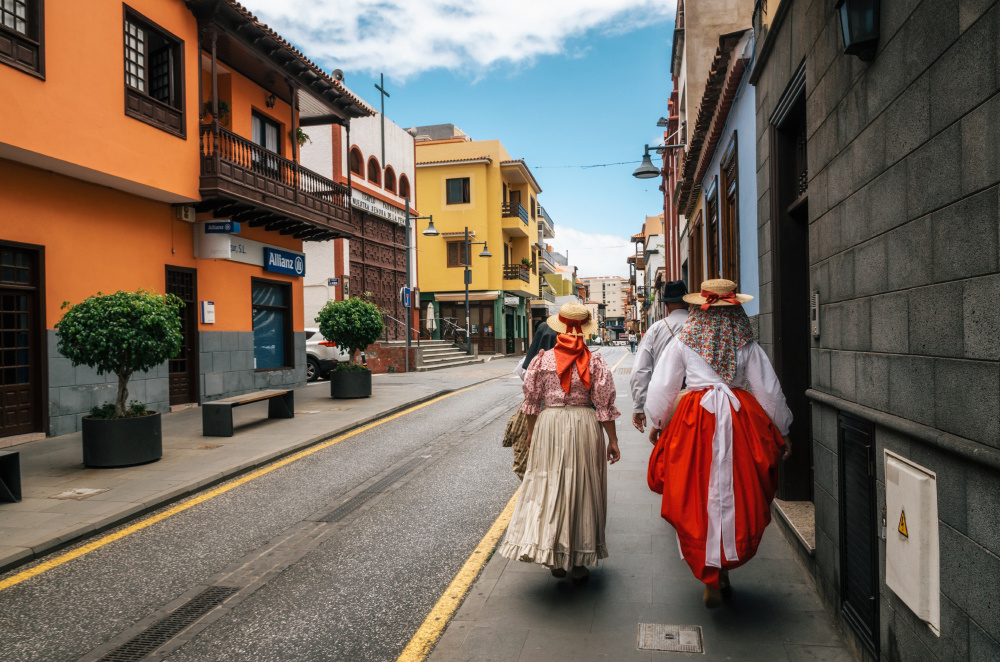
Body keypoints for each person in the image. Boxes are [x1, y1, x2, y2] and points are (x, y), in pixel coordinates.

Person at [645, 279, 792, 608]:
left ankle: (709, 567)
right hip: (740, 419)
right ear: (735, 306)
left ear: (701, 305)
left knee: (696, 491)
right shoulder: (746, 342)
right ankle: (723, 567)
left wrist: (657, 422)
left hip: (694, 421)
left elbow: (663, 385)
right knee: (735, 493)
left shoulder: (685, 339)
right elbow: (768, 390)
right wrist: (782, 429)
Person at [499, 302, 621, 582]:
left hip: (549, 425)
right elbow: (603, 406)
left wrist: (531, 434)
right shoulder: (596, 362)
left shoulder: (542, 361)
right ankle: (579, 559)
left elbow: (531, 403)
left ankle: (553, 555)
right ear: (584, 331)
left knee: (549, 486)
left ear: (559, 327)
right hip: (584, 426)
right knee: (582, 487)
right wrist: (612, 440)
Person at [630, 280, 690, 434]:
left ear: (667, 305)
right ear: (688, 302)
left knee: (669, 449)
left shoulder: (656, 329)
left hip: (667, 402)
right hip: (700, 400)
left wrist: (638, 406)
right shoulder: (699, 326)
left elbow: (640, 370)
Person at [508, 321, 560, 479]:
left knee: (530, 451)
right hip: (559, 413)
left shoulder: (531, 361)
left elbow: (525, 380)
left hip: (534, 411)